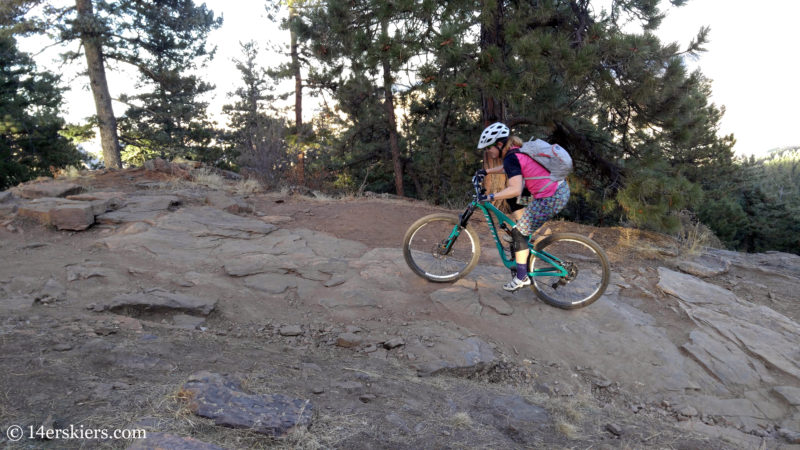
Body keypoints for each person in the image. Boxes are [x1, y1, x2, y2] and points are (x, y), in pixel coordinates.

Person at [476, 122, 571, 292]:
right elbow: (510, 169)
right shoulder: (517, 150)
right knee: (515, 201)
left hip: (551, 198)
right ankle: (524, 236)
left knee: (519, 232)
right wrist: (487, 172)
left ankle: (522, 277)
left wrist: (490, 196)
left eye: (488, 148)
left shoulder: (511, 157)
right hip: (558, 189)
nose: (487, 152)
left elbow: (515, 188)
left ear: (499, 144)